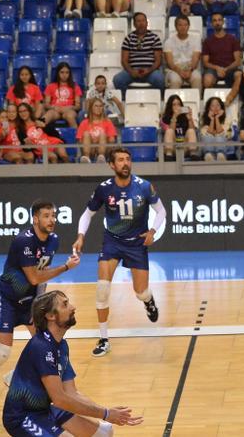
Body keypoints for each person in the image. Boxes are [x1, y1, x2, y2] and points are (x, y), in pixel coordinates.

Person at [0, 201, 80, 420]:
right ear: (35, 219)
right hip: (8, 298)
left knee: (44, 344)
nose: (52, 220)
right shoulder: (23, 241)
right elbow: (33, 276)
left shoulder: (54, 240)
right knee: (2, 352)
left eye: (54, 215)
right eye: (47, 216)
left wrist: (40, 304)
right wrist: (66, 267)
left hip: (31, 300)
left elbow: (42, 274)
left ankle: (16, 375)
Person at [1, 290, 144, 434]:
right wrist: (105, 414)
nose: (73, 307)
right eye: (65, 305)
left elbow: (72, 393)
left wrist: (107, 413)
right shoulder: (41, 347)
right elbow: (60, 399)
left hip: (45, 409)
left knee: (104, 433)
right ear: (50, 316)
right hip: (22, 417)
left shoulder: (61, 345)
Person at [72, 148, 167, 357]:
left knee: (140, 292)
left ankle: (148, 300)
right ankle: (104, 339)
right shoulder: (104, 189)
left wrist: (152, 230)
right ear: (112, 165)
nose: (125, 163)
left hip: (137, 244)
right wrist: (81, 236)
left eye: (128, 159)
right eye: (120, 160)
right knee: (102, 289)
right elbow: (87, 214)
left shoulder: (144, 186)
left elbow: (161, 211)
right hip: (112, 242)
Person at [114, 13, 164, 94]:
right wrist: (131, 71)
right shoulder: (128, 38)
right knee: (118, 80)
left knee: (160, 79)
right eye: (138, 21)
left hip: (150, 72)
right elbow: (124, 60)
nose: (141, 23)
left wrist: (148, 70)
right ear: (134, 24)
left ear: (147, 23)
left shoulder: (155, 38)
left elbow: (158, 60)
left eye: (143, 21)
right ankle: (126, 99)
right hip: (132, 72)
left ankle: (157, 98)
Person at [202, 11, 242, 87]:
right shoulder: (207, 41)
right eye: (215, 20)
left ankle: (236, 98)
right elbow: (205, 62)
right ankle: (211, 99)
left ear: (223, 22)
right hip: (214, 69)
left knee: (239, 75)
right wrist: (217, 68)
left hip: (230, 68)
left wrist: (225, 69)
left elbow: (237, 61)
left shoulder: (233, 39)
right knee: (207, 80)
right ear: (211, 23)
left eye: (219, 20)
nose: (217, 23)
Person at [165, 14, 203, 89]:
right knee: (175, 80)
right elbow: (170, 62)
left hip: (191, 68)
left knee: (197, 77)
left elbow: (195, 59)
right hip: (174, 69)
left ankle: (196, 99)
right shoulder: (168, 42)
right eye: (180, 25)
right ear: (176, 27)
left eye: (185, 25)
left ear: (189, 26)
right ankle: (174, 100)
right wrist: (180, 71)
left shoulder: (195, 40)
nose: (183, 27)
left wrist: (190, 70)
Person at [42, 63, 83, 127]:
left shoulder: (75, 87)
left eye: (67, 72)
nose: (64, 75)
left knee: (70, 116)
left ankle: (77, 136)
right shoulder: (50, 86)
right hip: (55, 110)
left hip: (69, 110)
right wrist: (54, 107)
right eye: (62, 72)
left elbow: (78, 106)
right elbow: (46, 105)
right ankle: (38, 135)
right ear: (58, 73)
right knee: (46, 116)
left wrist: (70, 107)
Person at [160, 94, 198, 160]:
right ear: (170, 106)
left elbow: (193, 130)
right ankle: (169, 156)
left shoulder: (185, 117)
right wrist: (175, 116)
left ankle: (193, 155)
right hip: (173, 147)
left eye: (178, 104)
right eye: (174, 105)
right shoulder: (165, 118)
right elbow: (171, 131)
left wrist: (189, 118)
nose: (177, 107)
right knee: (169, 131)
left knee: (191, 131)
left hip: (184, 147)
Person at [199, 97, 232, 161]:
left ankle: (221, 155)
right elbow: (208, 134)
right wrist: (212, 119)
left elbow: (222, 133)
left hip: (225, 149)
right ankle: (209, 155)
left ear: (221, 108)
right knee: (208, 137)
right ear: (209, 108)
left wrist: (216, 118)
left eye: (218, 105)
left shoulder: (226, 120)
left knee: (219, 137)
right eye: (212, 105)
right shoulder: (203, 122)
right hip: (208, 150)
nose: (215, 107)